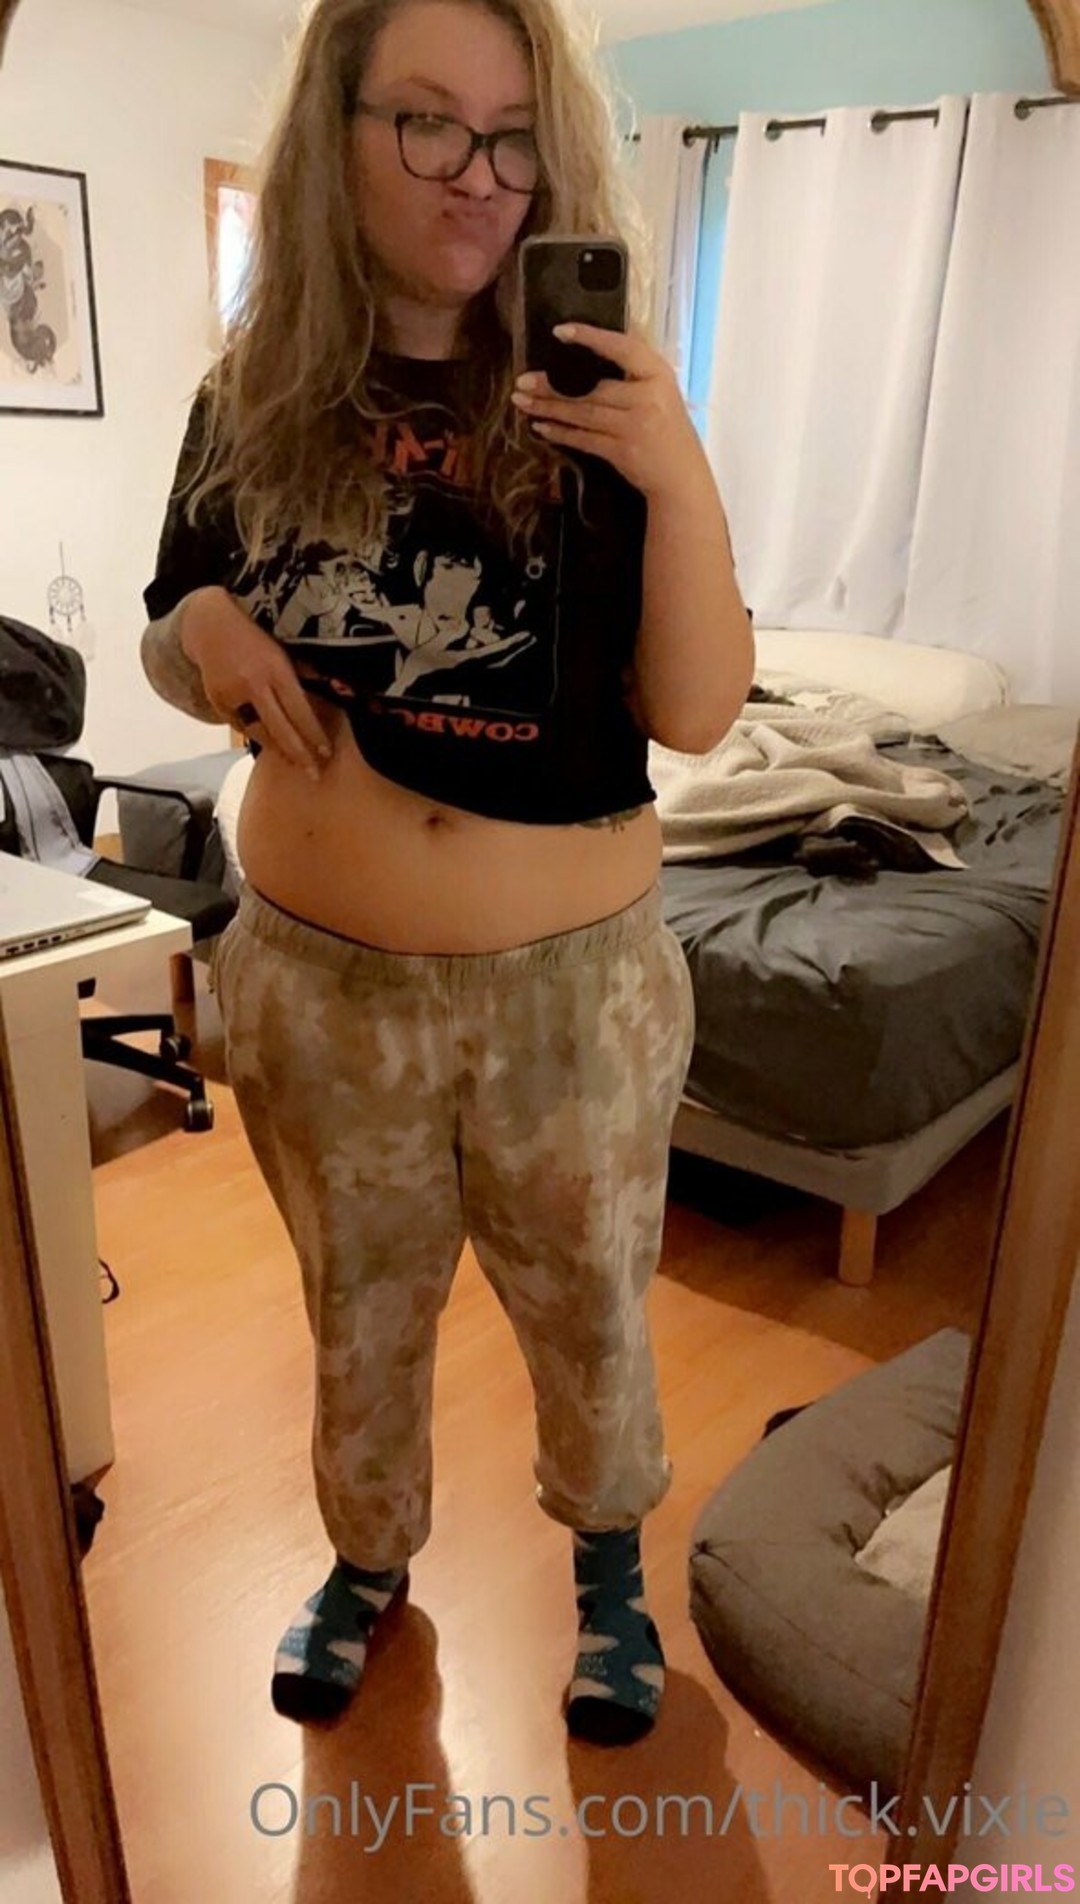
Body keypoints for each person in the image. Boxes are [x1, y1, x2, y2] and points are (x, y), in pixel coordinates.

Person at [140, 0, 752, 1745]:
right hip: (319, 984)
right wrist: (200, 629)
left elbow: (699, 708)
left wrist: (677, 469)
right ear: (334, 136)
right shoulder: (250, 396)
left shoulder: (602, 404)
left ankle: (611, 1581)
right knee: (359, 1310)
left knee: (594, 1313)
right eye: (425, 122)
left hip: (571, 996)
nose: (479, 176)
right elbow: (175, 632)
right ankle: (367, 1562)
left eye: (511, 133)